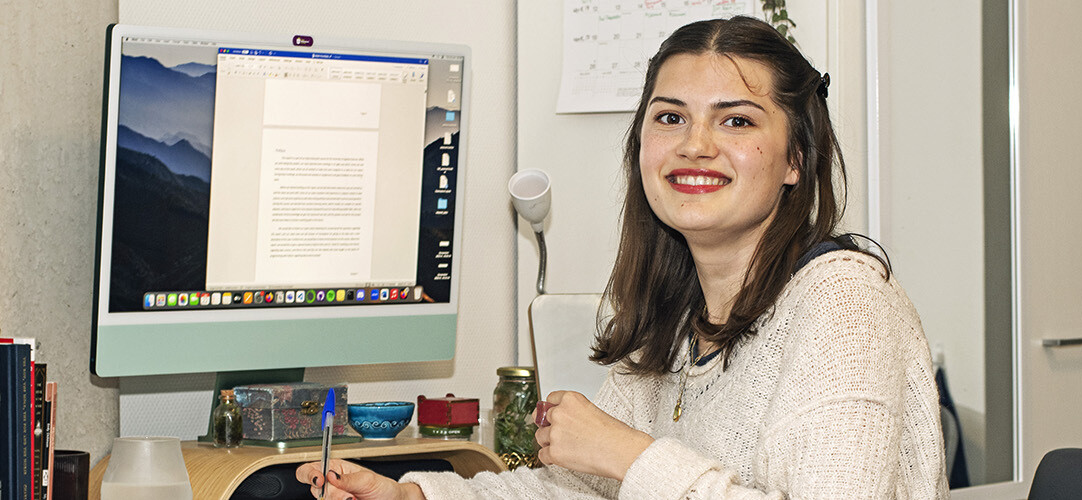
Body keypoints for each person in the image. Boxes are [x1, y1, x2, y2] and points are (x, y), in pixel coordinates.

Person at [297, 15, 947, 499]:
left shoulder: (844, 303)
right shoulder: (674, 316)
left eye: (737, 121)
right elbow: (577, 488)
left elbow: (620, 464)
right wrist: (411, 495)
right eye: (670, 118)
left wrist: (630, 454)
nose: (695, 145)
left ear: (796, 159)